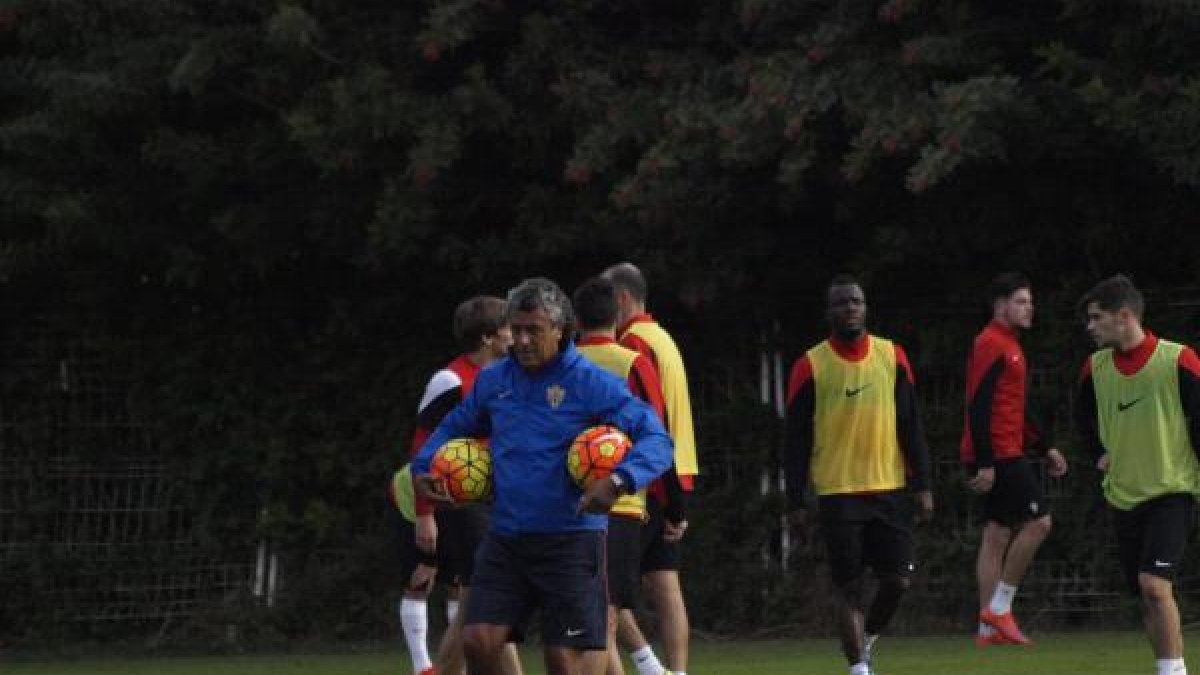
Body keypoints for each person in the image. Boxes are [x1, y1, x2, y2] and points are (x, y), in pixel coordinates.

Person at [411, 277, 674, 675]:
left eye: (533, 330)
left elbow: (656, 438)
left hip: (570, 539)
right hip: (506, 537)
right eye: (515, 330)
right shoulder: (495, 381)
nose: (523, 341)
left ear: (561, 329)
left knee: (562, 660)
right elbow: (451, 427)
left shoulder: (591, 383)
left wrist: (619, 480)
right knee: (477, 639)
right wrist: (422, 468)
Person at [784, 274, 934, 675]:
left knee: (897, 582)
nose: (850, 308)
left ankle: (865, 639)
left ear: (866, 308)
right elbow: (795, 439)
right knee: (848, 588)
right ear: (829, 312)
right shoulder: (811, 365)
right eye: (841, 303)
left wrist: (923, 484)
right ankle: (859, 669)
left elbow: (911, 425)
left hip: (890, 488)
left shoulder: (892, 356)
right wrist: (795, 500)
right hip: (839, 493)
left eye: (856, 302)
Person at [386, 295, 522, 675]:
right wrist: (426, 515)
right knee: (487, 595)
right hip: (458, 505)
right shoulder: (449, 380)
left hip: (489, 501)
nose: (516, 336)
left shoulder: (507, 379)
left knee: (479, 599)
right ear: (487, 338)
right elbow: (422, 450)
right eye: (509, 328)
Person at [1076, 274, 1200, 675]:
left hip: (1172, 490)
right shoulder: (1093, 369)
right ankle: (1167, 666)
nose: (1089, 326)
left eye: (1096, 317)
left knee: (1154, 585)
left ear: (1124, 316)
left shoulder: (1178, 359)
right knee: (1146, 597)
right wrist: (1098, 454)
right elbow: (1082, 420)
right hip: (1123, 496)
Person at [572, 277, 673, 675]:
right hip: (624, 500)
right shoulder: (633, 362)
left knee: (596, 616)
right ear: (618, 314)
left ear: (575, 319)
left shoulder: (566, 365)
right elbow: (657, 436)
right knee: (605, 617)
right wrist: (671, 504)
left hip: (574, 502)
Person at [962, 273, 1068, 647]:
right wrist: (987, 461)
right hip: (1000, 455)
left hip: (1002, 451)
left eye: (1030, 301)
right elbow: (979, 404)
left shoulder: (1010, 344)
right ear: (1000, 306)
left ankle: (987, 629)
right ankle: (1000, 608)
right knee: (1040, 522)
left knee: (996, 535)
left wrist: (1045, 446)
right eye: (1021, 301)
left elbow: (1015, 407)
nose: (1029, 307)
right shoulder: (991, 342)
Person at [603, 262, 695, 675]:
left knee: (605, 588)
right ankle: (674, 672)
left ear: (621, 299)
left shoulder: (633, 345)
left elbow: (648, 419)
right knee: (665, 583)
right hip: (679, 472)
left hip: (649, 478)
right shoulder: (664, 338)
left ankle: (646, 665)